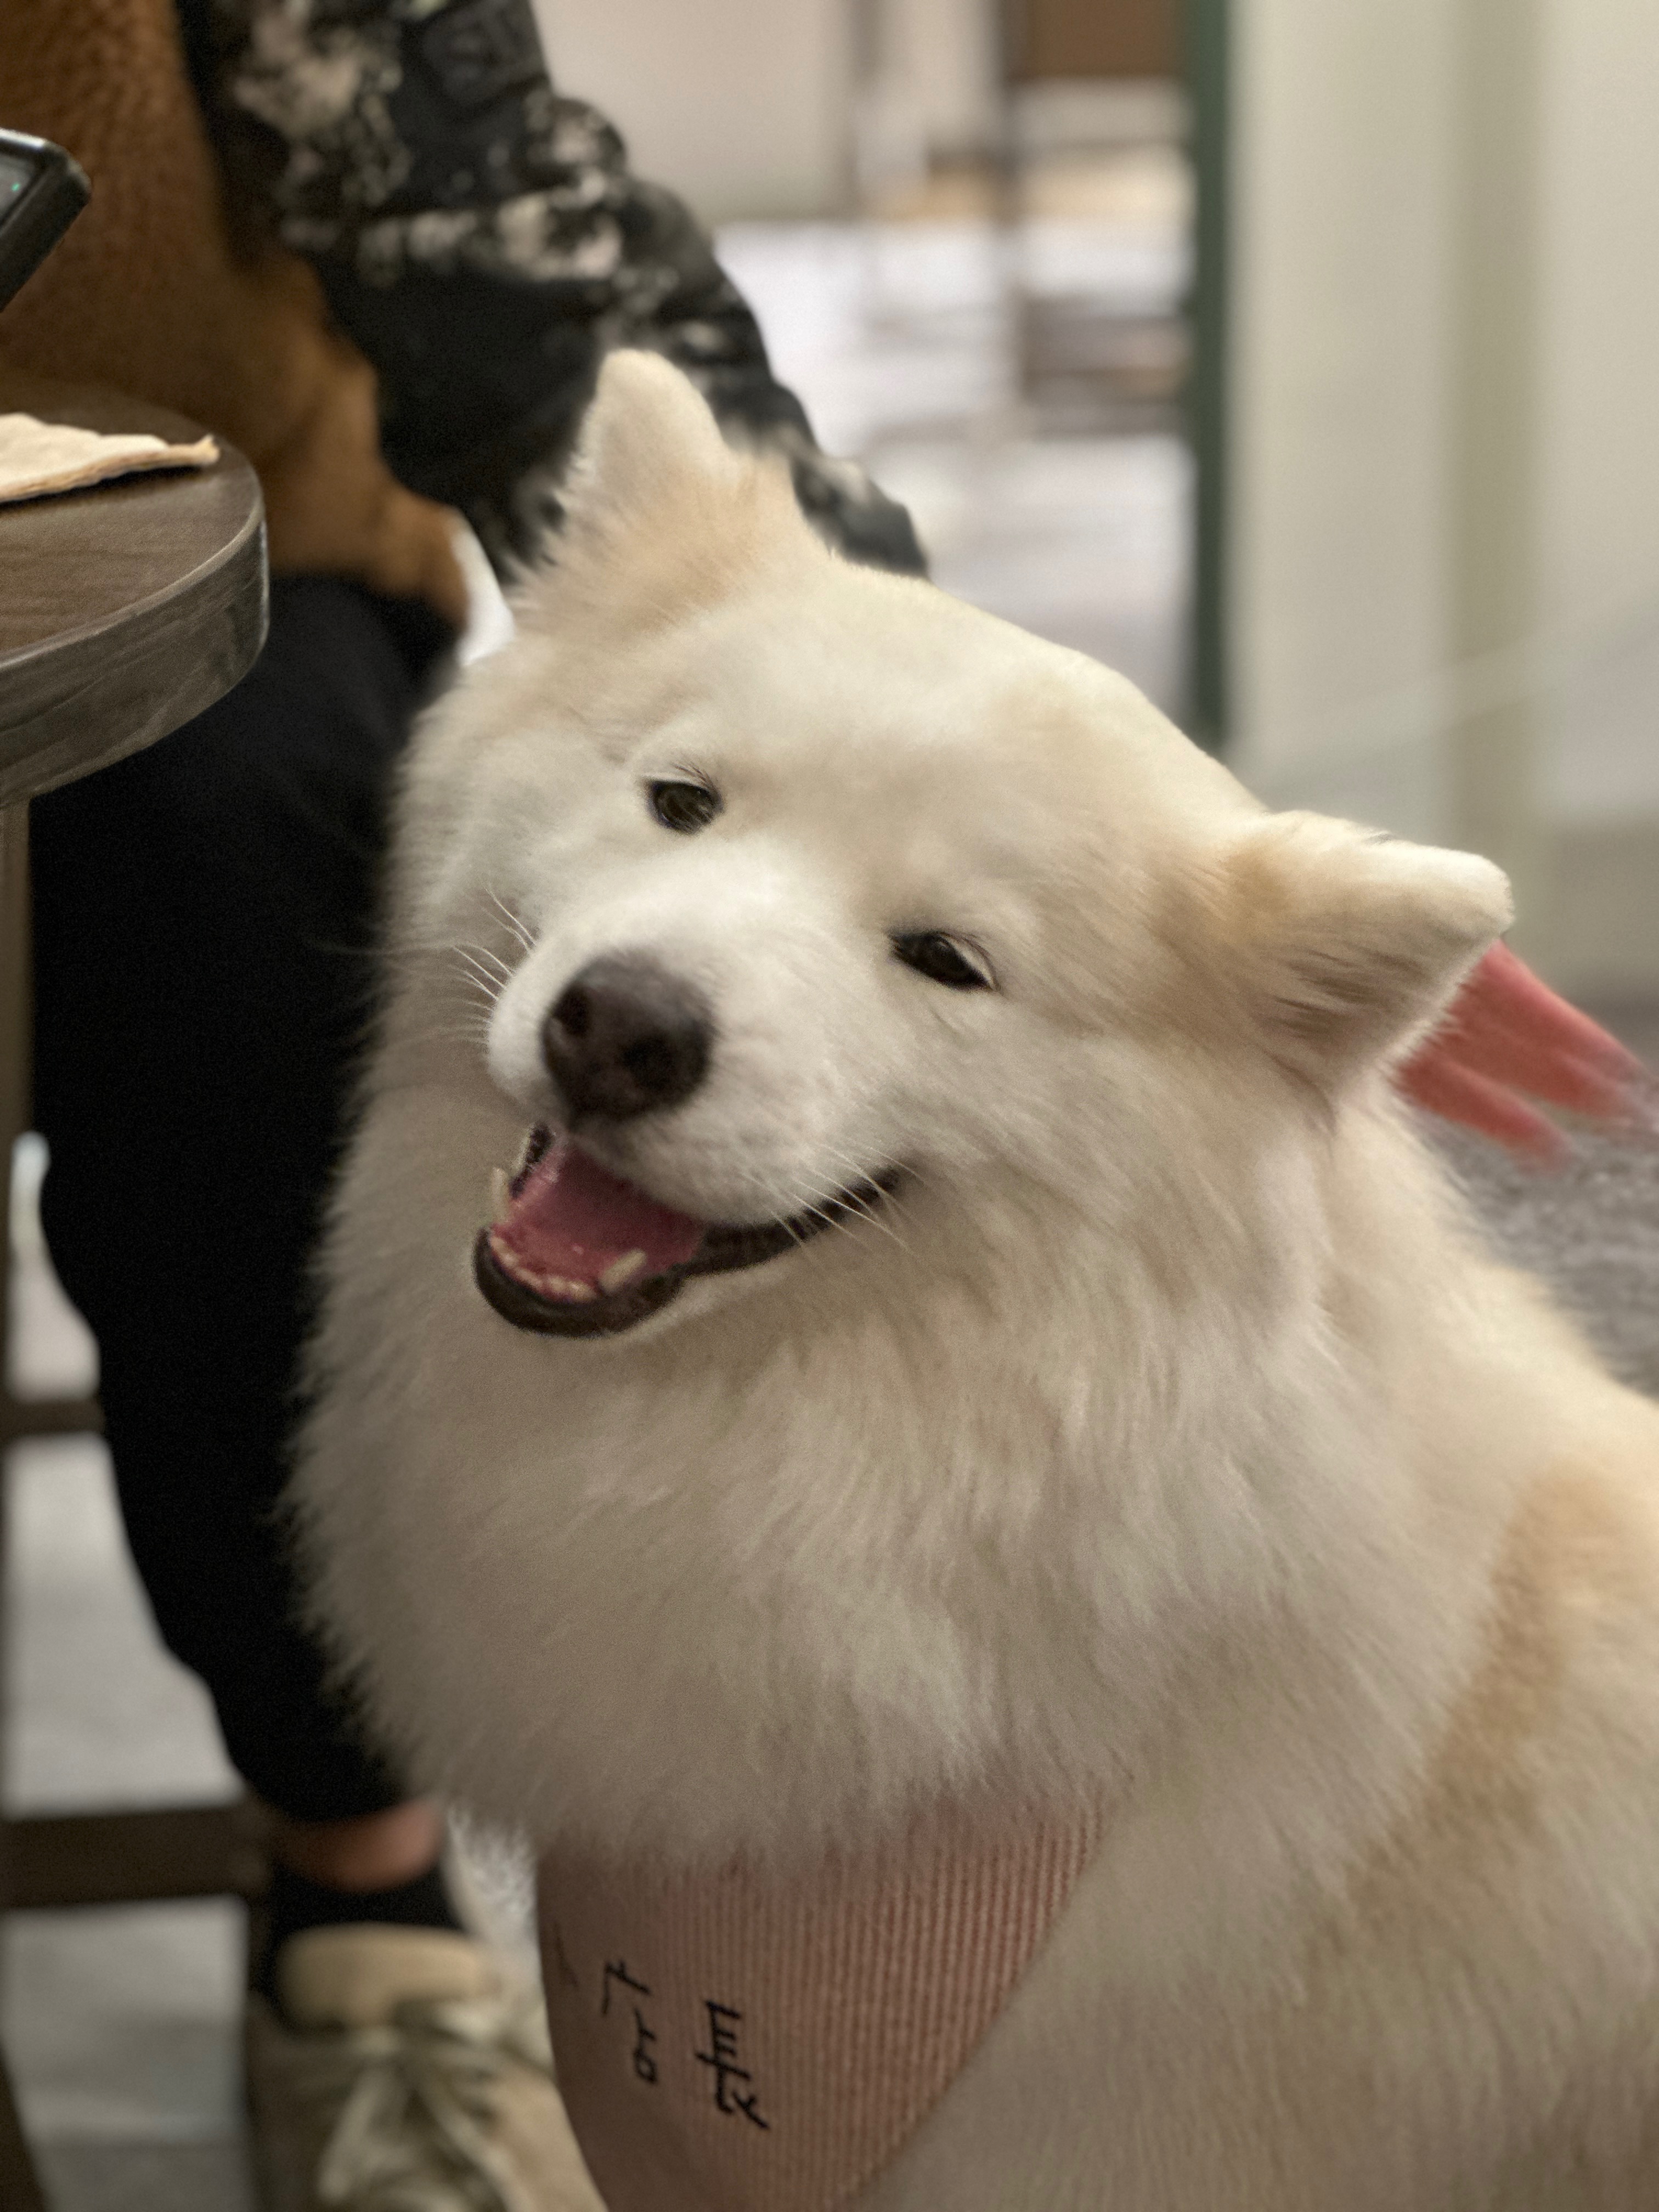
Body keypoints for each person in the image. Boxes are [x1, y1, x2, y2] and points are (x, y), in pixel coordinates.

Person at [0, 4, 1643, 2207]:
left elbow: (499, 225)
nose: (638, 1005)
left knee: (229, 875)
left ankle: (356, 1893)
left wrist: (1154, 883)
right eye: (677, 803)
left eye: (944, 959)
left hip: (207, 553)